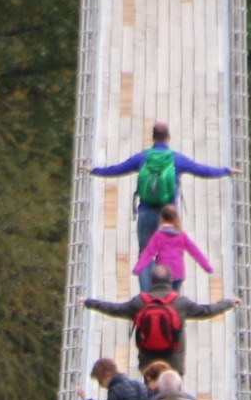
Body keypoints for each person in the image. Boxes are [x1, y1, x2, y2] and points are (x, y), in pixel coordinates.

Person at [89, 120, 232, 250]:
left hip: (146, 211)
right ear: (168, 137)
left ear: (152, 137)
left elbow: (118, 169)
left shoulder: (143, 157)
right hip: (168, 214)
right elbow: (202, 170)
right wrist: (226, 171)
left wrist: (94, 170)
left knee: (145, 255)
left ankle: (148, 278)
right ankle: (167, 278)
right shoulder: (177, 159)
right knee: (170, 252)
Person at [86, 264, 237, 374]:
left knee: (150, 391)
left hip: (147, 358)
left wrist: (89, 302)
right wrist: (228, 303)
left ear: (151, 282)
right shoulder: (180, 303)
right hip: (173, 358)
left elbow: (114, 309)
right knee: (173, 391)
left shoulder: (140, 302)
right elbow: (206, 311)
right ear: (170, 282)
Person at [128, 201, 218, 292]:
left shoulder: (158, 235)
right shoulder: (181, 235)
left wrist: (138, 268)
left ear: (162, 218)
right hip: (178, 272)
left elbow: (148, 252)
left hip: (163, 274)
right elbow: (195, 252)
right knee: (174, 300)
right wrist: (207, 267)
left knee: (163, 300)